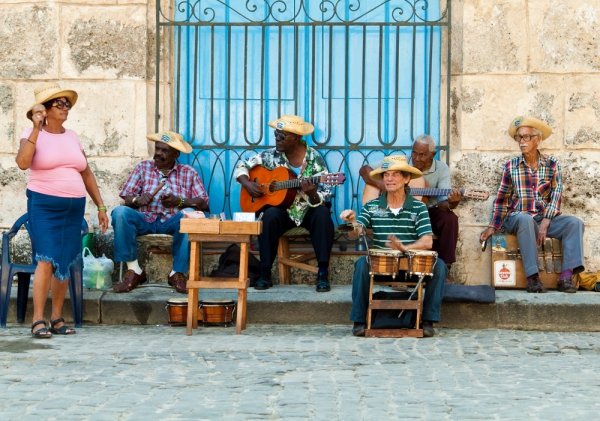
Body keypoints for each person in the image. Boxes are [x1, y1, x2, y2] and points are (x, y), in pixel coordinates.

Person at [16, 82, 109, 338]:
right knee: (46, 258)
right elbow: (23, 163)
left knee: (65, 261)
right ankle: (38, 320)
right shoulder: (31, 133)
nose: (65, 107)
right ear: (44, 110)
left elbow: (86, 172)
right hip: (44, 205)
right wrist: (36, 128)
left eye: (67, 103)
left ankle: (57, 317)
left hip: (73, 208)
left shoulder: (72, 136)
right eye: (59, 103)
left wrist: (100, 205)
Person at [342, 155, 447, 337]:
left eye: (395, 174)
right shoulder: (372, 206)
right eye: (386, 175)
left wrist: (405, 248)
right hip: (381, 264)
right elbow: (356, 233)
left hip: (412, 264)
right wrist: (352, 222)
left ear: (406, 179)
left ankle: (428, 321)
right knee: (361, 264)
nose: (389, 179)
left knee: (439, 267)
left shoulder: (418, 207)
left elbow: (427, 241)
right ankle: (359, 320)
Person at [480, 116, 585, 293]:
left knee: (575, 223)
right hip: (517, 218)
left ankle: (566, 277)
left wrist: (547, 220)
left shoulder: (552, 165)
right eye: (519, 137)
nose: (522, 141)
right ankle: (533, 278)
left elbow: (556, 195)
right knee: (525, 219)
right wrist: (493, 226)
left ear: (538, 139)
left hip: (543, 218)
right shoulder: (511, 166)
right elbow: (502, 199)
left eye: (526, 137)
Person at [234, 115, 335, 292]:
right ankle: (265, 273)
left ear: (296, 138)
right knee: (270, 215)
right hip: (283, 212)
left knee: (323, 214)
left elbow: (325, 195)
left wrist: (312, 193)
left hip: (307, 211)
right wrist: (247, 183)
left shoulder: (315, 159)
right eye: (276, 134)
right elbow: (242, 165)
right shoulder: (269, 155)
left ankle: (323, 273)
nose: (277, 139)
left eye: (282, 136)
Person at [111, 131, 209, 294]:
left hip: (172, 222)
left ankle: (177, 273)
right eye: (157, 149)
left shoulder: (188, 172)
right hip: (145, 219)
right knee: (120, 213)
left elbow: (204, 203)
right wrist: (138, 200)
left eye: (165, 151)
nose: (158, 154)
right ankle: (134, 270)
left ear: (176, 154)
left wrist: (180, 201)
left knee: (189, 215)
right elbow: (126, 195)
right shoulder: (143, 167)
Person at [360, 135, 461, 274]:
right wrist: (383, 185)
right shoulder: (401, 162)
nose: (416, 158)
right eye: (414, 152)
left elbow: (443, 203)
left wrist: (452, 203)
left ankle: (444, 269)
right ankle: (396, 269)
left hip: (426, 211)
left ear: (433, 154)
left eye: (422, 155)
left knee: (450, 219)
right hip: (396, 210)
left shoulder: (441, 169)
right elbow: (364, 169)